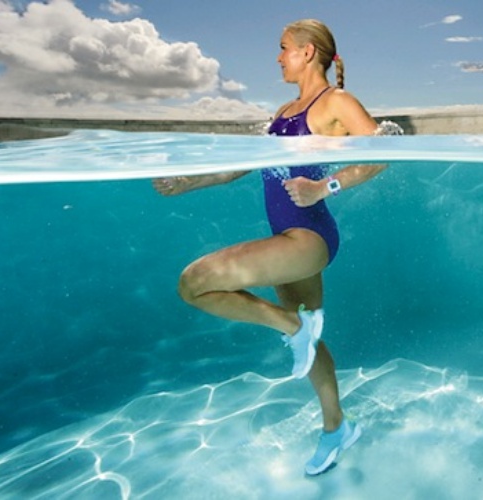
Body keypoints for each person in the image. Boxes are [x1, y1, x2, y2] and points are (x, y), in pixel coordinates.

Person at [153, 19, 387, 476]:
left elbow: (380, 155)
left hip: (309, 238)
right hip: (288, 240)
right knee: (310, 337)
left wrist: (325, 186)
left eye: (283, 49)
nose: (278, 57)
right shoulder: (283, 111)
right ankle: (337, 426)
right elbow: (240, 168)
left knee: (193, 282)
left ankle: (290, 326)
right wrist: (186, 184)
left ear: (308, 52)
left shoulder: (336, 102)